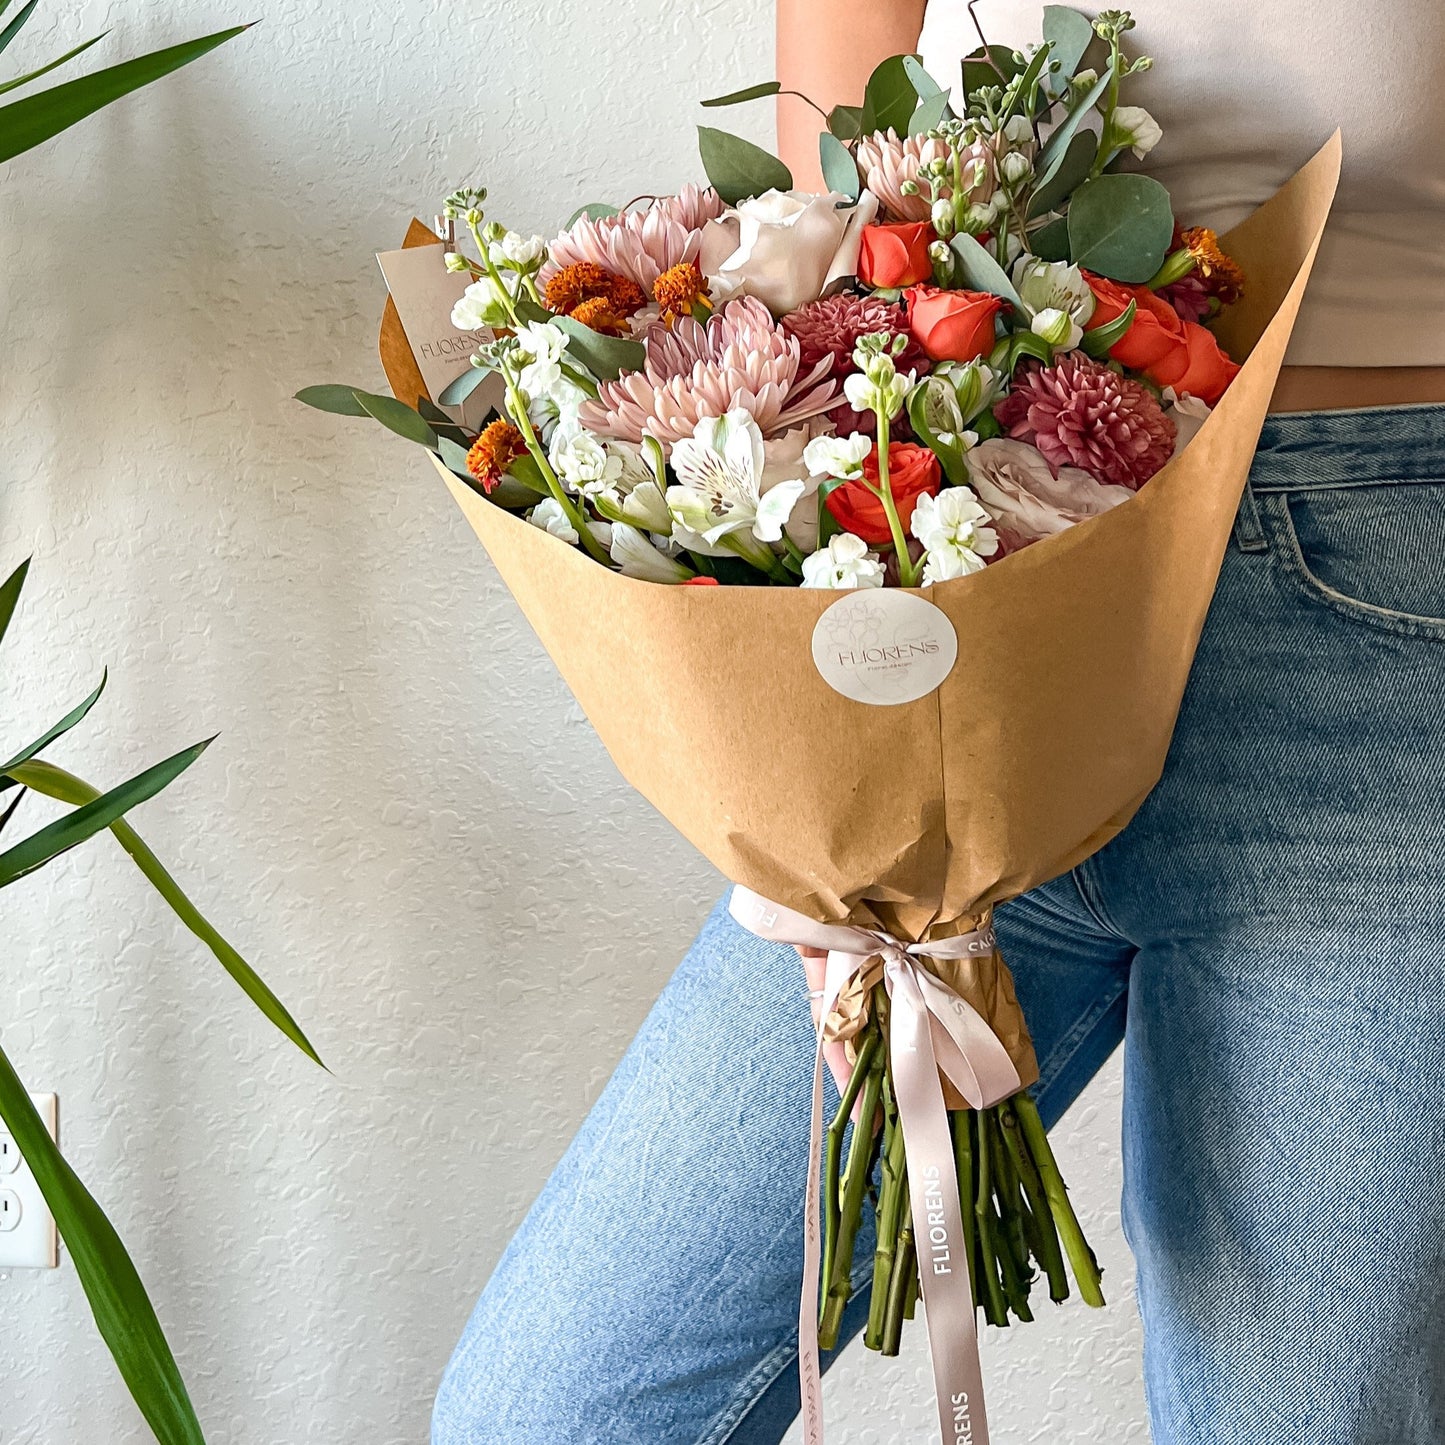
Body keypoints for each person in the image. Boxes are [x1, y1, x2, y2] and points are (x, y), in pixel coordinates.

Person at [432, 3, 1445, 1440]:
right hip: (996, 561)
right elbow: (844, 181)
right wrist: (810, 738)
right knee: (552, 1408)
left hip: (1379, 628)